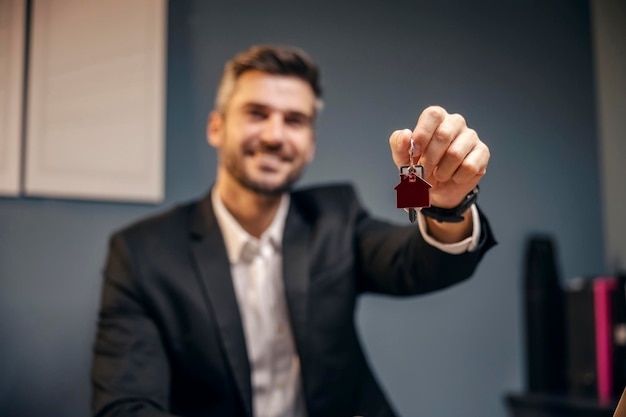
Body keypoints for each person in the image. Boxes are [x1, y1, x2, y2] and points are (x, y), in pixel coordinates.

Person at [91, 45, 496, 417]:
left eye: (295, 120)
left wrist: (448, 204)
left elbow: (420, 263)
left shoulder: (336, 217)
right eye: (256, 113)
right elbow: (126, 407)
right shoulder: (143, 253)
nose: (274, 136)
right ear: (217, 127)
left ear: (311, 142)